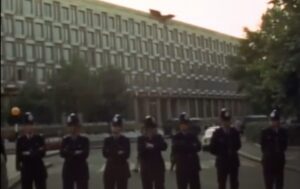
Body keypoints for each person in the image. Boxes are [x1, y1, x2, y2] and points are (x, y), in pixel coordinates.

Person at [210, 108, 241, 189]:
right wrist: (221, 153)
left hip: (233, 162)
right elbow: (212, 148)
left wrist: (232, 150)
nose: (226, 122)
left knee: (234, 183)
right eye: (224, 120)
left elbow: (238, 145)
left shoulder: (234, 132)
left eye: (228, 120)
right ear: (221, 120)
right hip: (222, 162)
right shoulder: (217, 133)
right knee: (222, 184)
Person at [16, 112, 47, 189]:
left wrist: (29, 153)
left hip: (38, 169)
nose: (29, 127)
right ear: (24, 126)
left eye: (31, 124)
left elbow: (42, 153)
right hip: (26, 170)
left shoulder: (39, 138)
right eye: (27, 125)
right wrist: (34, 152)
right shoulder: (21, 140)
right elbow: (19, 155)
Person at [171, 112, 202, 189]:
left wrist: (184, 146)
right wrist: (191, 146)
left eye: (186, 124)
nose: (184, 126)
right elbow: (176, 148)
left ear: (188, 125)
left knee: (195, 186)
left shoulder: (193, 136)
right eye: (182, 124)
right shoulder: (176, 137)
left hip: (193, 166)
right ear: (180, 125)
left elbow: (198, 147)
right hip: (182, 167)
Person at [60, 113, 90, 189]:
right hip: (68, 170)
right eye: (70, 126)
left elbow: (85, 154)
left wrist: (70, 153)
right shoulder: (65, 140)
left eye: (74, 125)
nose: (72, 128)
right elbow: (62, 153)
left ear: (78, 127)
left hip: (81, 170)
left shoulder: (84, 140)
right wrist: (76, 153)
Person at [260, 108, 288, 189]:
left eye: (275, 120)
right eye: (272, 120)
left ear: (278, 120)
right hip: (268, 162)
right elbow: (263, 146)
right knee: (269, 184)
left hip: (279, 161)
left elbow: (284, 145)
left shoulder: (283, 132)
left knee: (279, 184)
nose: (274, 122)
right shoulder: (265, 132)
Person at [138, 115, 167, 189]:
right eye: (148, 128)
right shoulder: (141, 139)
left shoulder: (158, 137)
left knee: (159, 186)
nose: (150, 130)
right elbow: (141, 150)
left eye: (152, 128)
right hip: (146, 167)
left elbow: (164, 146)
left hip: (158, 167)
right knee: (147, 186)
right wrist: (151, 146)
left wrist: (151, 145)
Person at [102, 114, 130, 189]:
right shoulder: (107, 140)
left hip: (122, 169)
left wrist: (113, 152)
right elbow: (105, 153)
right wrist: (118, 152)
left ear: (121, 128)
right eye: (113, 126)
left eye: (117, 126)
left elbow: (126, 154)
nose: (115, 128)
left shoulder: (125, 140)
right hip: (110, 169)